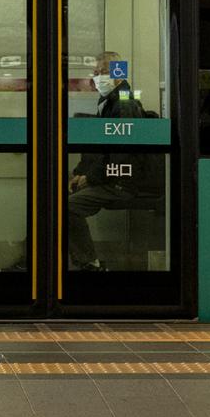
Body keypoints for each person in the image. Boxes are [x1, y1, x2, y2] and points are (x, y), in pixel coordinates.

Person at [67, 50, 156, 272]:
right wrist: (80, 173)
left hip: (120, 181)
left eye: (102, 71)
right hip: (109, 176)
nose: (97, 77)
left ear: (118, 72)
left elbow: (121, 152)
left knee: (67, 208)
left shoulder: (125, 104)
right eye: (96, 72)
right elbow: (99, 147)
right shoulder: (109, 101)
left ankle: (89, 263)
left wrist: (91, 178)